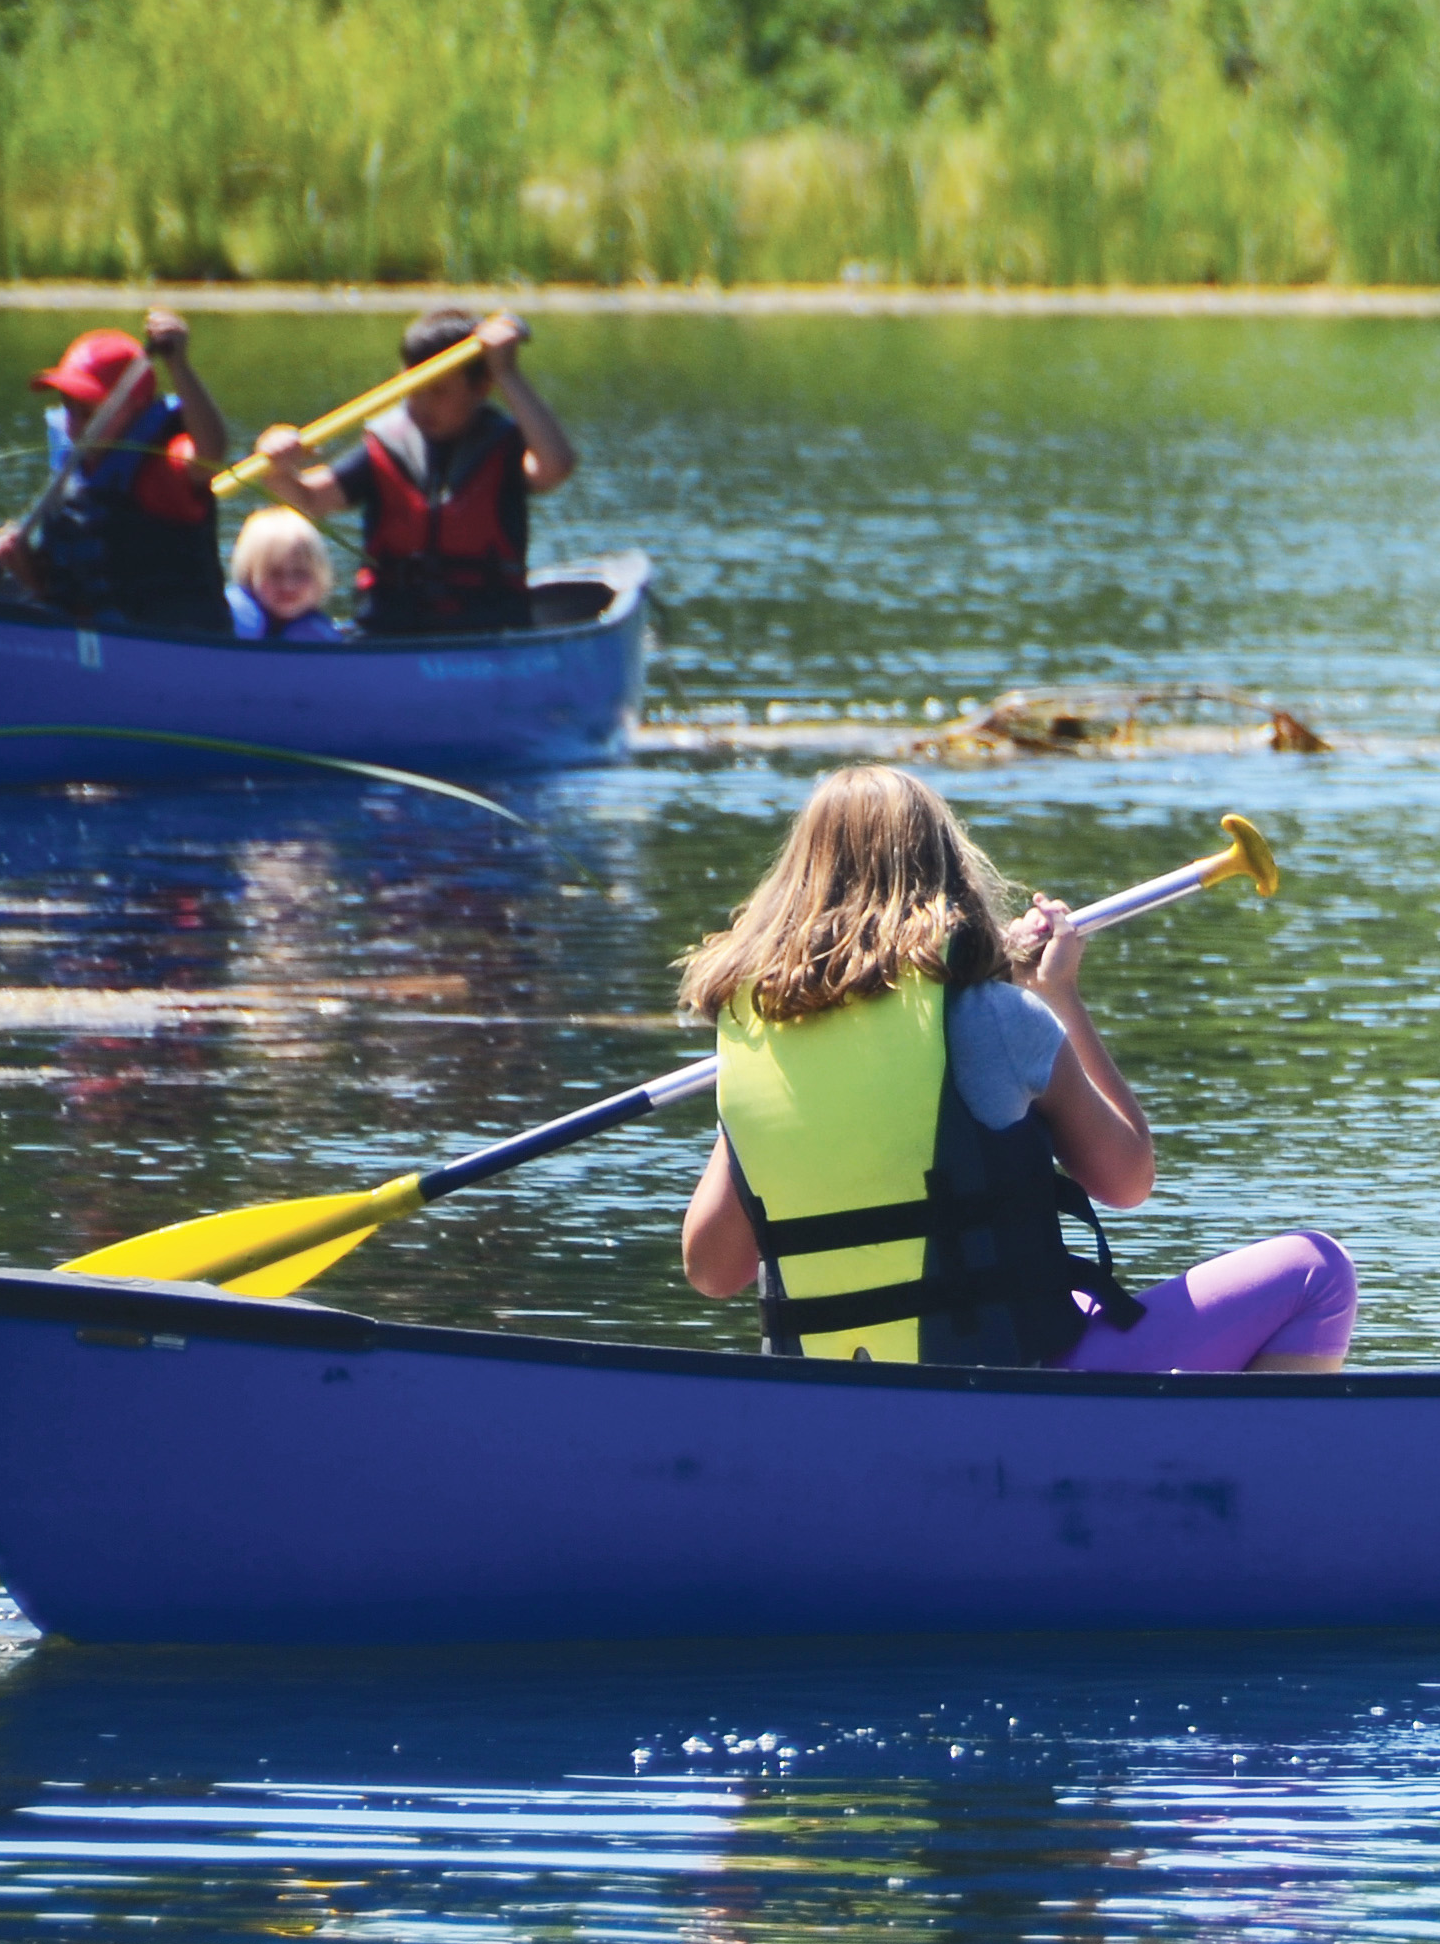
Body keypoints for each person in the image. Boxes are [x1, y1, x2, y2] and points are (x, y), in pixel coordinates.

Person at [677, 766, 1355, 1373]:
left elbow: (712, 1269)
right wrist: (1057, 997)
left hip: (835, 1401)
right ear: (946, 875)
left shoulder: (754, 1042)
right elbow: (1127, 1179)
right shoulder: (997, 1017)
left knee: (1078, 1297)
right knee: (1317, 1273)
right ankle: (1238, 1493)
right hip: (1008, 1390)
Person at [250, 307, 578, 638]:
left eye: (439, 391)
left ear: (482, 387)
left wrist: (507, 373)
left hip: (487, 628)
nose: (422, 404)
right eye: (415, 389)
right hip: (389, 628)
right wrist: (276, 468)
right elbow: (307, 500)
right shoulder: (388, 445)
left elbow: (557, 466)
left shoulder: (505, 447)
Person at [0, 312, 237, 628]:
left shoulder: (163, 466)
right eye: (68, 407)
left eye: (87, 412)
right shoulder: (72, 478)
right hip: (91, 647)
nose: (73, 425)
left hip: (172, 647)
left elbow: (210, 454)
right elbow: (61, 589)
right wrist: (22, 565)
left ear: (134, 408)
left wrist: (179, 366)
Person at [224, 509, 351, 643]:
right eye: (274, 573)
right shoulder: (222, 627)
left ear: (319, 579)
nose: (287, 585)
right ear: (249, 576)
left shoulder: (326, 643)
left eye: (300, 573)